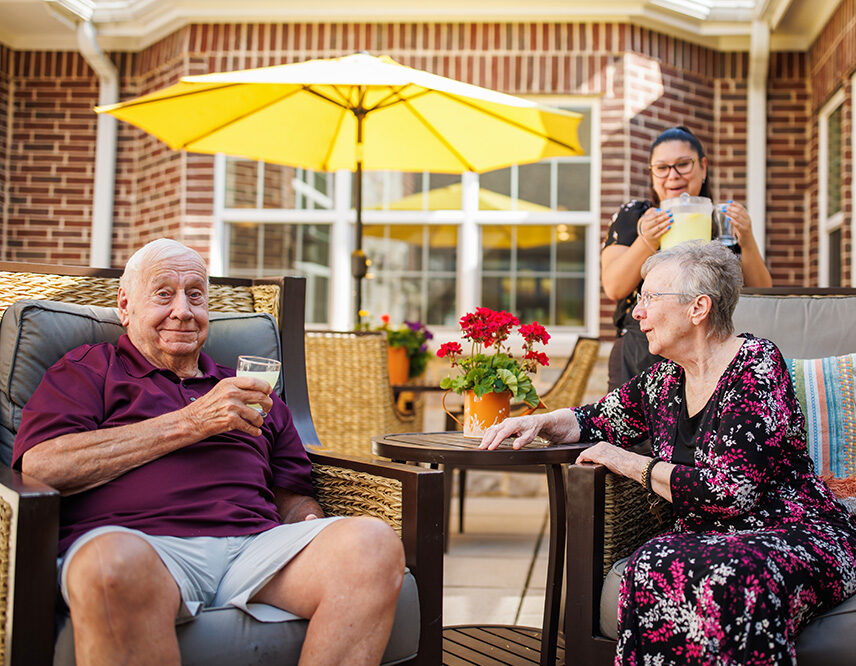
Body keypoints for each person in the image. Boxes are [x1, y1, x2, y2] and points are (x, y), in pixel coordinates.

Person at [12, 239, 405, 665]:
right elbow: (43, 465)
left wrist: (303, 518)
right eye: (164, 294)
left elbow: (290, 493)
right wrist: (192, 422)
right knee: (109, 566)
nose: (182, 310)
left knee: (372, 543)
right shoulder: (90, 368)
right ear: (125, 306)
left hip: (255, 548)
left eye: (195, 295)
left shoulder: (247, 390)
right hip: (144, 548)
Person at [481, 241, 856, 665]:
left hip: (793, 530)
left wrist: (628, 461)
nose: (637, 312)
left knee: (731, 580)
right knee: (648, 566)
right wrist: (537, 421)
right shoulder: (662, 381)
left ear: (698, 308)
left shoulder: (757, 365)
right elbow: (593, 420)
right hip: (706, 536)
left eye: (649, 298)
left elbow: (732, 491)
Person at [602, 125, 772, 390]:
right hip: (640, 348)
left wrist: (747, 238)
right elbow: (614, 287)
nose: (673, 175)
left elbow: (762, 293)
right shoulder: (635, 216)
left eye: (683, 164)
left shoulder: (720, 220)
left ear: (703, 167)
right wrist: (647, 240)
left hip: (709, 351)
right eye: (662, 167)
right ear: (651, 172)